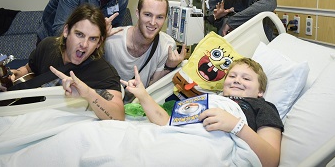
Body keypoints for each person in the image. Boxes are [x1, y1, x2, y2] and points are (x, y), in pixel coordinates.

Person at [121, 58, 283, 167]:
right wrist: (142, 95)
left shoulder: (263, 107)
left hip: (209, 147)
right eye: (232, 76)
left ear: (260, 91)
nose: (237, 80)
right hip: (178, 137)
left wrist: (236, 125)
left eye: (246, 79)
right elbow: (166, 122)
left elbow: (271, 159)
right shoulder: (209, 99)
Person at [0, 4, 124, 120]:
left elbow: (118, 115)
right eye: (79, 34)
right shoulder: (47, 46)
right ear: (66, 31)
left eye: (93, 39)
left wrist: (88, 94)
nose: (84, 44)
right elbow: (27, 70)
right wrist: (10, 75)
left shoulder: (103, 71)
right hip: (25, 114)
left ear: (99, 42)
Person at [104, 0, 187, 89]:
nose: (153, 22)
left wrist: (169, 67)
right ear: (137, 13)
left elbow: (152, 90)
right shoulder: (111, 39)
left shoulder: (167, 45)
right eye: (148, 15)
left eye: (159, 17)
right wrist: (98, 40)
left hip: (139, 102)